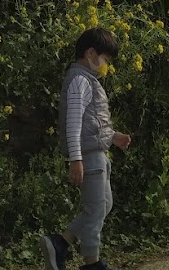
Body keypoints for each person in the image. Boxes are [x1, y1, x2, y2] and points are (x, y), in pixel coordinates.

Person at [41, 27, 132, 270]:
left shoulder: (87, 80)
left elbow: (92, 123)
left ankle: (61, 242)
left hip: (98, 155)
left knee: (103, 206)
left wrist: (113, 136)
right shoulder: (79, 80)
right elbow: (73, 123)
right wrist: (76, 159)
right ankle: (92, 263)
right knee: (95, 210)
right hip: (89, 158)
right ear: (91, 53)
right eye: (105, 59)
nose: (106, 65)